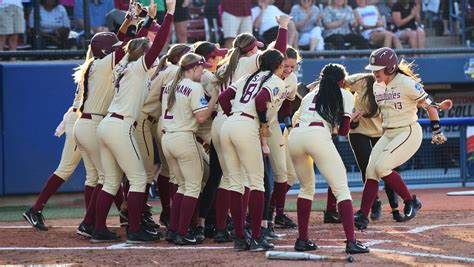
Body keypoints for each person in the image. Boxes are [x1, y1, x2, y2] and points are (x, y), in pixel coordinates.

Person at [91, 0, 174, 243]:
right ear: (143, 53)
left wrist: (146, 20)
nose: (154, 54)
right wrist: (169, 14)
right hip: (121, 125)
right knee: (138, 179)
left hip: (107, 124)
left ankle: (98, 229)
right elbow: (158, 43)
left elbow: (135, 43)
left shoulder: (124, 63)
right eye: (149, 51)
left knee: (111, 181)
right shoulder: (139, 66)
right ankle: (135, 229)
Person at [211, 14, 290, 244]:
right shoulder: (274, 79)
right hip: (246, 125)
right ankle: (256, 236)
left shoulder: (245, 75)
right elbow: (261, 100)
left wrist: (233, 116)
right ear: (276, 65)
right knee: (256, 183)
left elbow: (225, 97)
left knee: (234, 182)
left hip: (228, 123)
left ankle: (238, 237)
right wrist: (263, 122)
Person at [354, 47, 450, 230]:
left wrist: (437, 130)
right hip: (388, 132)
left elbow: (430, 105)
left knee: (382, 167)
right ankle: (363, 215)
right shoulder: (376, 85)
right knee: (371, 171)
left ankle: (410, 201)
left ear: (390, 68)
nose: (374, 72)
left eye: (378, 69)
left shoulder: (406, 83)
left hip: (408, 131)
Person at [288, 63, 370, 254]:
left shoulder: (309, 95)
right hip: (317, 135)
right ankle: (351, 241)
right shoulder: (345, 94)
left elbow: (296, 119)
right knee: (341, 188)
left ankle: (302, 240)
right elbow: (343, 131)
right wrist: (351, 119)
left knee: (306, 188)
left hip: (296, 136)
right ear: (342, 81)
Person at [160, 53, 219, 245]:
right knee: (192, 187)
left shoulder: (169, 85)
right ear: (193, 68)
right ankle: (183, 232)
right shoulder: (194, 87)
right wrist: (214, 99)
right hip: (184, 137)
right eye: (201, 68)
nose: (203, 71)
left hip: (167, 138)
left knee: (182, 186)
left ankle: (173, 230)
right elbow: (202, 118)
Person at [345, 73, 401, 221]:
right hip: (359, 131)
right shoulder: (363, 80)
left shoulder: (395, 84)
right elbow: (340, 82)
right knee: (367, 168)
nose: (379, 74)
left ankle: (395, 208)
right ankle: (374, 203)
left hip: (383, 132)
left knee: (386, 168)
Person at [150, 43, 192, 229]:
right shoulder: (174, 71)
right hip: (164, 121)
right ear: (178, 58)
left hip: (156, 121)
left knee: (167, 171)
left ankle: (167, 212)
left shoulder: (164, 68)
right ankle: (171, 215)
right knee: (175, 174)